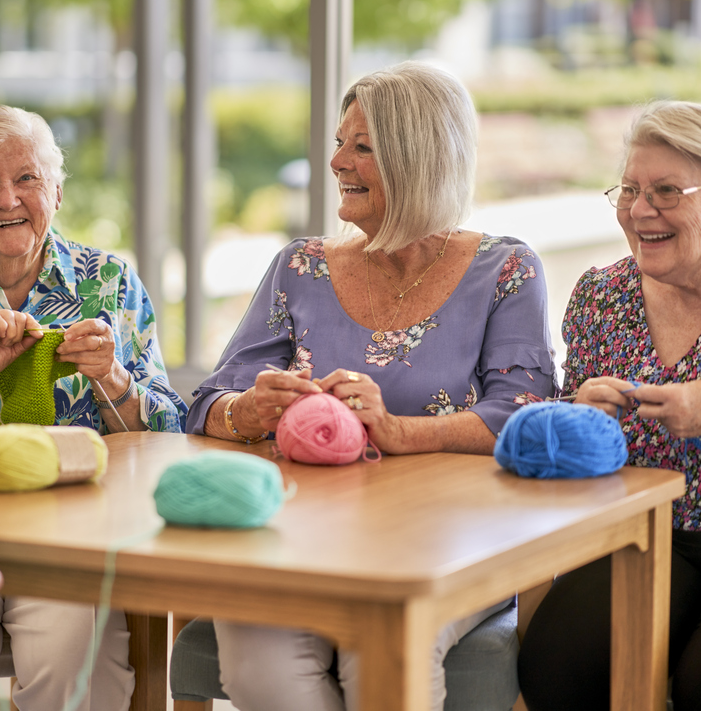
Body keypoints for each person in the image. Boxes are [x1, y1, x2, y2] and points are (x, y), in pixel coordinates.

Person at [186, 61, 557, 711]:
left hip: (447, 542)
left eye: (362, 147)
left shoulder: (506, 269)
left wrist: (397, 431)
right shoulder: (299, 266)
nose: (336, 162)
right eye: (338, 142)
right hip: (299, 540)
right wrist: (249, 410)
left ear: (420, 158)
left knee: (381, 658)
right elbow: (207, 404)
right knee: (254, 665)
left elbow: (524, 417)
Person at [0, 105, 187, 710]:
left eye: (26, 179)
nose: (8, 199)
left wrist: (113, 377)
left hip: (69, 536)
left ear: (55, 191)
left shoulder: (107, 282)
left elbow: (170, 429)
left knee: (77, 676)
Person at [517, 100, 701, 711]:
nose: (640, 209)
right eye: (629, 190)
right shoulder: (603, 295)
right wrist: (579, 419)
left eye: (667, 190)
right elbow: (563, 457)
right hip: (645, 536)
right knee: (557, 665)